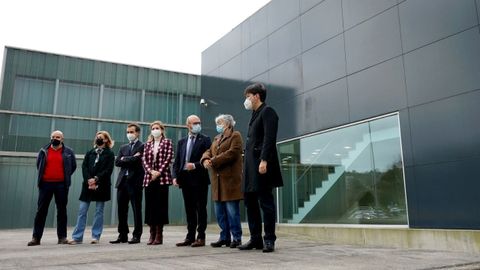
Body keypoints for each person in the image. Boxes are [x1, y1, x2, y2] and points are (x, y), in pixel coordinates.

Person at [238, 83, 283, 253]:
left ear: (257, 96)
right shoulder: (255, 114)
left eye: (248, 96)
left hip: (262, 164)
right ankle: (255, 238)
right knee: (250, 203)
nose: (246, 100)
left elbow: (269, 139)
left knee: (266, 202)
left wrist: (264, 160)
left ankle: (269, 239)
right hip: (250, 167)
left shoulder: (268, 112)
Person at [28, 130, 77, 246]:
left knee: (62, 211)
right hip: (45, 185)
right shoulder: (43, 151)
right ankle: (36, 238)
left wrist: (64, 176)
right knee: (41, 211)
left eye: (58, 137)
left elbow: (73, 167)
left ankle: (62, 237)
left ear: (62, 139)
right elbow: (38, 165)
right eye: (53, 136)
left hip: (61, 185)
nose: (55, 138)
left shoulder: (69, 152)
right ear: (50, 137)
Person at [201, 114, 243, 248]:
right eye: (217, 123)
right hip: (217, 182)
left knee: (232, 212)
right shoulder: (217, 138)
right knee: (220, 213)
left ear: (229, 124)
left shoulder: (235, 136)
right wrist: (205, 159)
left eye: (220, 123)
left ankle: (236, 238)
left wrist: (212, 161)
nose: (218, 126)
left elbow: (232, 153)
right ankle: (224, 237)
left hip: (230, 181)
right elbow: (208, 151)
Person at [68, 131, 115, 244]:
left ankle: (95, 236)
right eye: (97, 137)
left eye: (101, 138)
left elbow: (108, 170)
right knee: (82, 210)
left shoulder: (110, 154)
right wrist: (89, 179)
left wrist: (96, 179)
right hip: (88, 185)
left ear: (106, 140)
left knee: (99, 211)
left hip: (102, 185)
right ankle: (77, 237)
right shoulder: (90, 152)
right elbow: (84, 167)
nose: (98, 139)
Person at [173, 115, 211, 247]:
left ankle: (201, 237)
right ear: (187, 125)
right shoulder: (181, 141)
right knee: (189, 209)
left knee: (201, 209)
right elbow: (177, 161)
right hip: (185, 179)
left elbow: (209, 157)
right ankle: (190, 236)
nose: (197, 125)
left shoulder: (205, 139)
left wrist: (195, 165)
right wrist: (174, 176)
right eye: (194, 123)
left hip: (199, 179)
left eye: (199, 123)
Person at [110, 123, 145, 244]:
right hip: (122, 182)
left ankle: (137, 235)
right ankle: (122, 235)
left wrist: (125, 159)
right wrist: (129, 158)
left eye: (132, 132)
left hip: (135, 182)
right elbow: (117, 162)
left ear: (138, 133)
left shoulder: (142, 146)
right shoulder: (123, 147)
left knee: (136, 209)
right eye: (128, 132)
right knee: (121, 209)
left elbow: (137, 160)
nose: (129, 134)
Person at [142, 121, 173, 245]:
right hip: (149, 179)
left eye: (157, 128)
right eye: (153, 128)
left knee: (160, 206)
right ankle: (152, 233)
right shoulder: (147, 144)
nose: (155, 130)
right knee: (150, 207)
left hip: (162, 178)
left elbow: (169, 157)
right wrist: (150, 171)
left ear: (162, 130)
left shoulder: (167, 142)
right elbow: (143, 159)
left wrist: (158, 172)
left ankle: (159, 234)